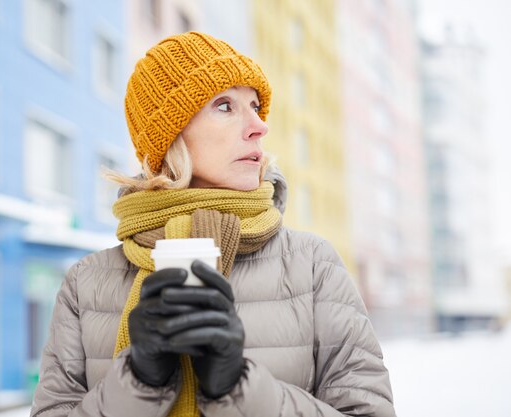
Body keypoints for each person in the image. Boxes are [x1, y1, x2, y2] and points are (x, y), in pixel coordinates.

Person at [30, 31, 396, 417]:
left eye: (255, 106)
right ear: (170, 135)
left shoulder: (312, 265)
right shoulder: (86, 284)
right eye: (224, 105)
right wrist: (137, 382)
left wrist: (239, 387)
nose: (259, 126)